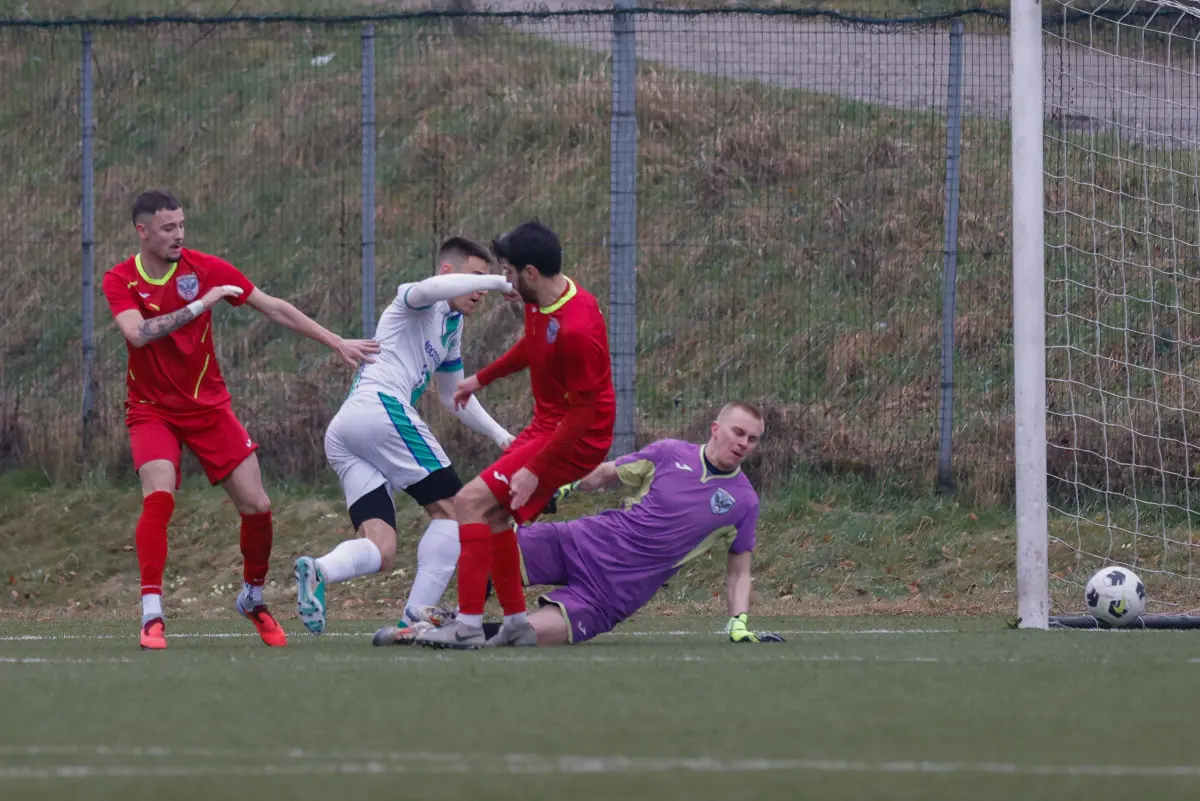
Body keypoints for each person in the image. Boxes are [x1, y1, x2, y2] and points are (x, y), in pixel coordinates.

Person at [101, 189, 379, 651]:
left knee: (258, 506)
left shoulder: (204, 267)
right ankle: (152, 612)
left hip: (208, 407)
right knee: (160, 498)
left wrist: (335, 341)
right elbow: (137, 334)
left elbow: (273, 306)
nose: (179, 235)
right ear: (142, 231)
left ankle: (252, 596)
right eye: (168, 228)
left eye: (182, 225)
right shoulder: (121, 279)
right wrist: (201, 304)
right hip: (151, 409)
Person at [418, 402, 784, 647]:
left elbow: (739, 571)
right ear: (716, 428)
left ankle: (463, 635)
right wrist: (558, 486)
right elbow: (606, 473)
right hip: (578, 542)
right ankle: (451, 619)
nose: (744, 443)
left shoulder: (744, 501)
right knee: (490, 553)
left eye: (752, 439)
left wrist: (739, 621)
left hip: (611, 594)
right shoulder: (670, 453)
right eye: (738, 432)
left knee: (524, 637)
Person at [293, 237, 516, 637]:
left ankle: (319, 571)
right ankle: (415, 619)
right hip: (379, 410)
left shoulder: (452, 324)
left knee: (381, 548)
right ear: (447, 273)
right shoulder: (416, 299)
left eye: (486, 281)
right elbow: (429, 289)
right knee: (456, 510)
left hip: (350, 428)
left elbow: (452, 395)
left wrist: (502, 436)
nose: (481, 288)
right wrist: (503, 282)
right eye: (475, 278)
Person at [415, 221, 616, 649]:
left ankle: (467, 624)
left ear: (529, 273)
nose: (503, 281)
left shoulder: (577, 328)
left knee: (468, 501)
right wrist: (479, 380)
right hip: (550, 427)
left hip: (576, 437)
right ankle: (515, 623)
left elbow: (582, 414)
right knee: (494, 515)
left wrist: (535, 471)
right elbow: (534, 344)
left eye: (507, 271)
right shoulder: (543, 298)